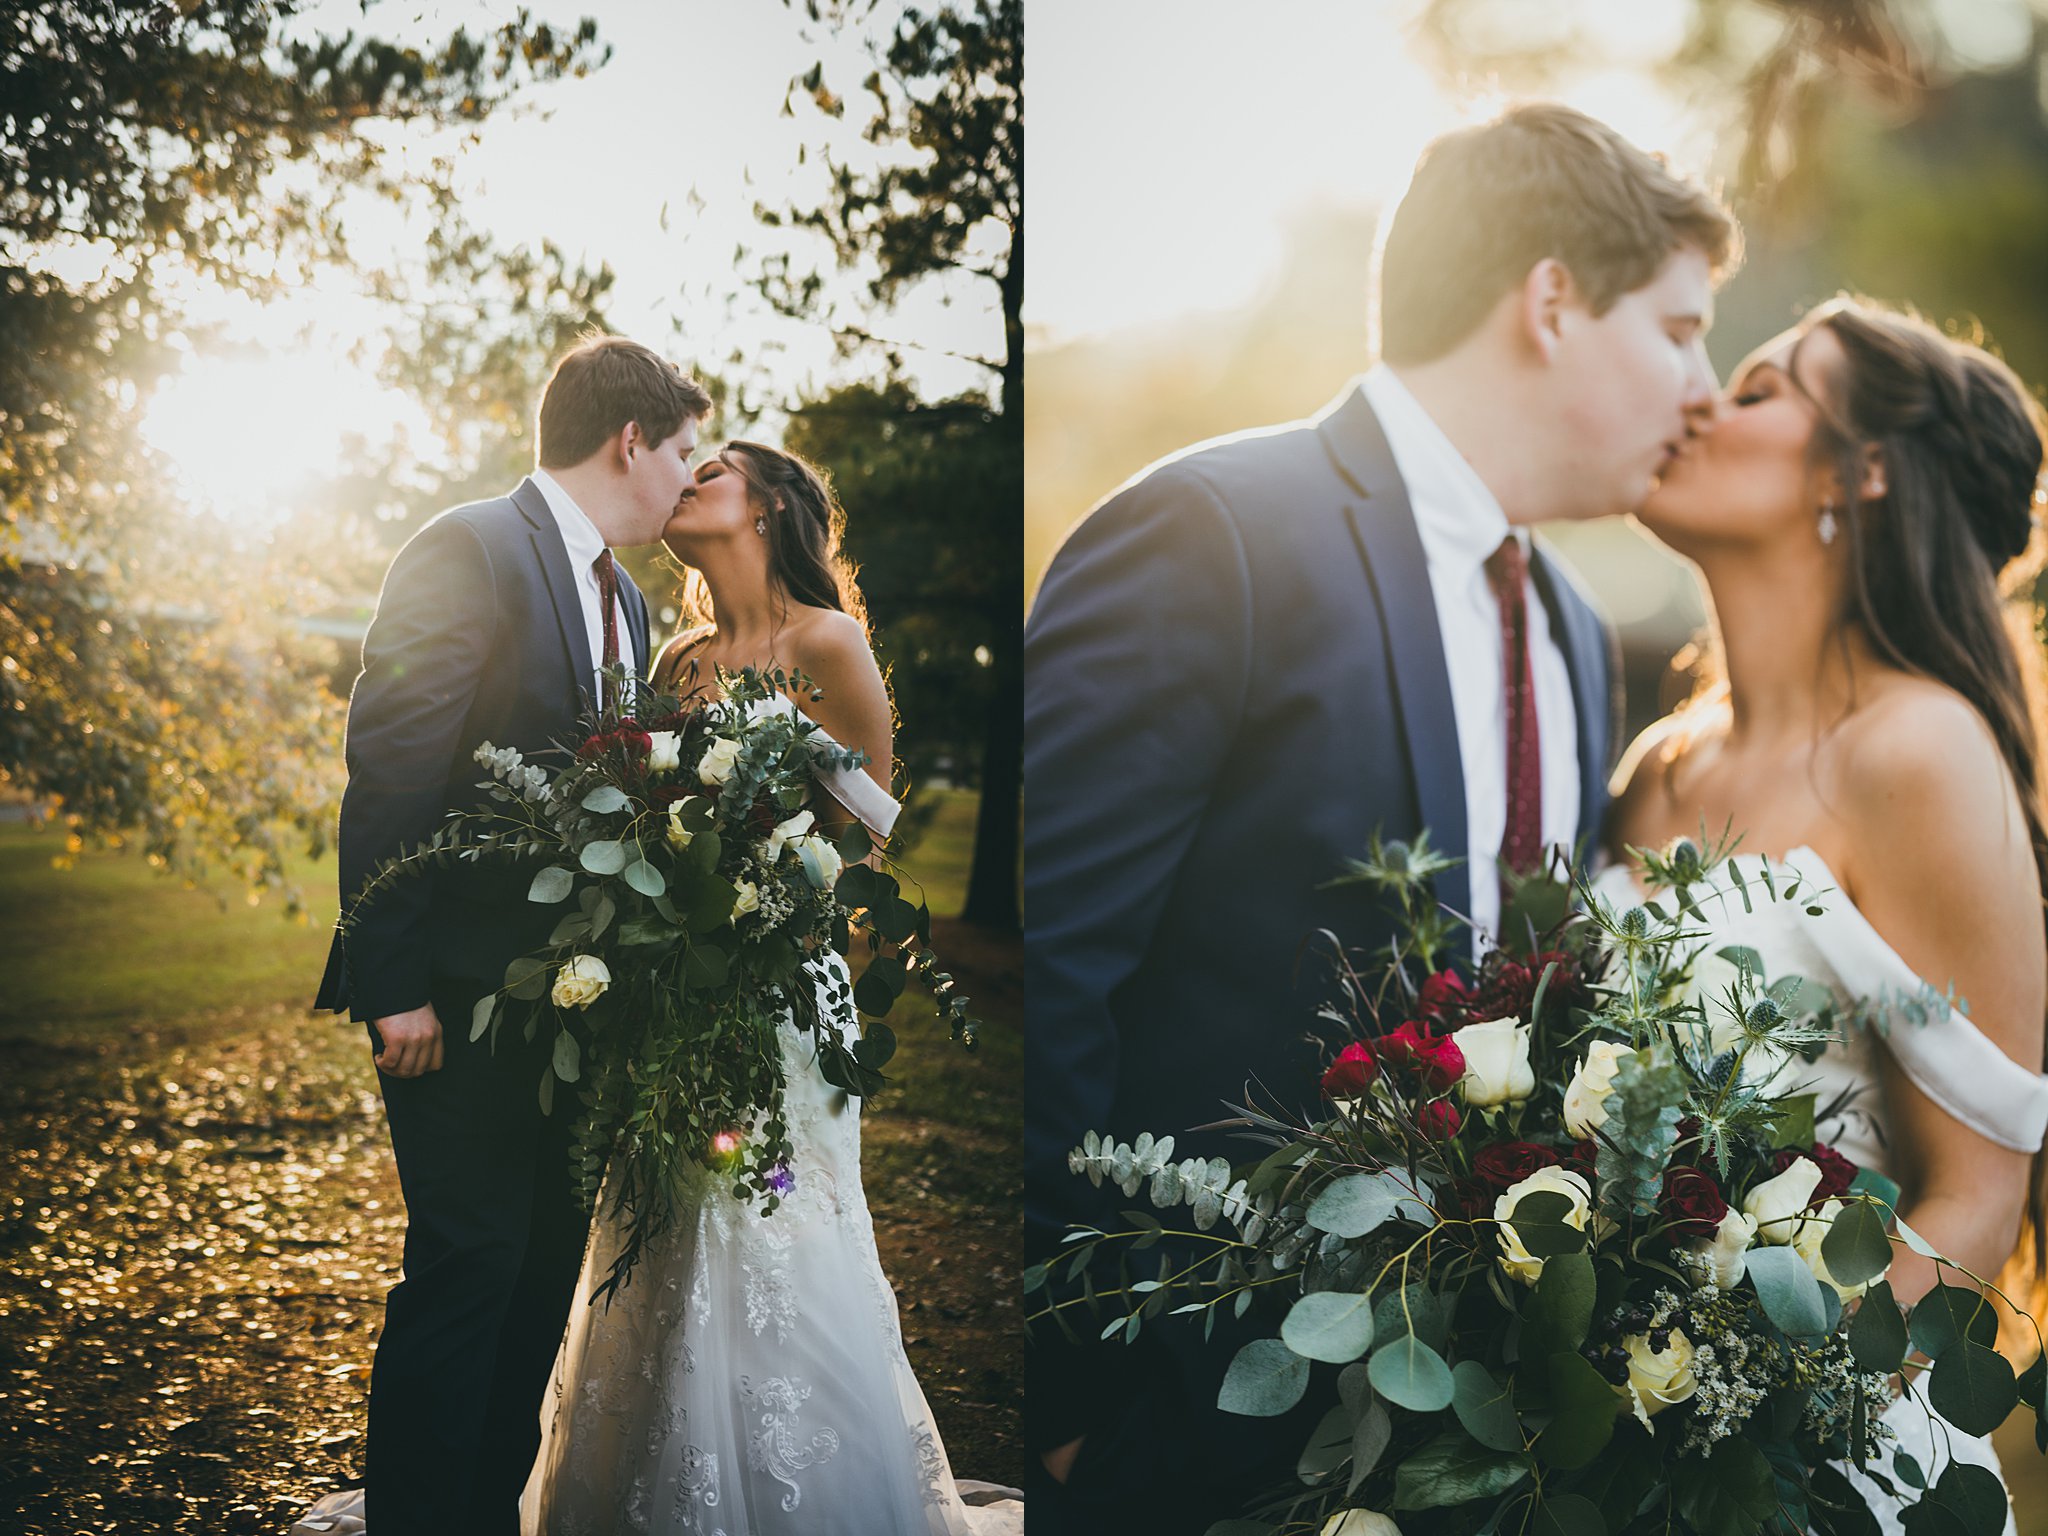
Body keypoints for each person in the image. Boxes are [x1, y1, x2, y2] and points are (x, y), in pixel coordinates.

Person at [1021, 102, 1737, 1534]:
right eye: (1677, 329)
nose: (1704, 386)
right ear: (1550, 300)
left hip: (1449, 1435)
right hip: (1173, 1427)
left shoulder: (1583, 639)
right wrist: (1078, 1406)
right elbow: (1051, 971)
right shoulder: (1212, 535)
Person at [1599, 296, 2048, 1534]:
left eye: (1757, 388)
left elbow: (1974, 1196)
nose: (1698, 402)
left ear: (1858, 473)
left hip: (1812, 1475)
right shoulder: (1655, 769)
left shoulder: (1915, 755)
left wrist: (1738, 1408)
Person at [521, 441, 1023, 1535]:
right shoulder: (676, 663)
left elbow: (864, 848)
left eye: (712, 470)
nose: (686, 480)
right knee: (658, 1235)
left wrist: (775, 933)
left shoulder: (828, 644)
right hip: (672, 992)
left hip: (785, 1001)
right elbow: (635, 826)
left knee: (774, 1227)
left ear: (769, 508)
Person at [313, 335, 710, 1536]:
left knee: (540, 1271)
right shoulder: (469, 548)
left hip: (571, 1011)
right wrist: (394, 989)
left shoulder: (630, 604)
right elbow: (389, 771)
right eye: (682, 450)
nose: (689, 478)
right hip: (450, 998)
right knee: (466, 1266)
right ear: (627, 441)